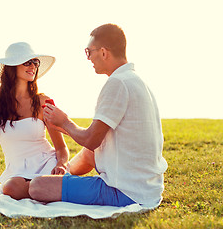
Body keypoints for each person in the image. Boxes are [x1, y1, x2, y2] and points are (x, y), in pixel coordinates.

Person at [29, 24, 168, 208]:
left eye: (89, 51)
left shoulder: (117, 83)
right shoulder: (134, 80)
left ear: (103, 52)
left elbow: (91, 139)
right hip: (146, 188)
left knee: (37, 186)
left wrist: (64, 122)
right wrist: (62, 128)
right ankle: (65, 175)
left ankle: (58, 181)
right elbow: (93, 146)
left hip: (125, 192)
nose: (88, 58)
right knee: (90, 154)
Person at [0, 42, 69, 200]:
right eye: (27, 62)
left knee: (30, 186)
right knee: (11, 188)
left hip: (48, 166)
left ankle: (49, 189)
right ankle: (48, 192)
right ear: (12, 67)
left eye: (35, 62)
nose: (33, 66)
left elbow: (61, 148)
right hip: (17, 174)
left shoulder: (42, 101)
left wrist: (61, 164)